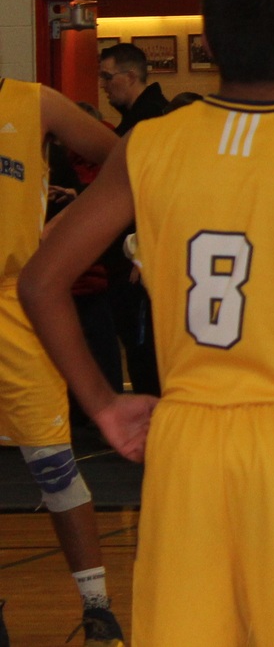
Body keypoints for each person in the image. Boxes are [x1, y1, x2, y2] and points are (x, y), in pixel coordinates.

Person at [18, 0, 274, 647]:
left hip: (188, 442)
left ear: (209, 42)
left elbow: (40, 281)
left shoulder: (148, 144)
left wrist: (105, 404)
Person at [0, 77, 122, 645]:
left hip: (14, 303)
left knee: (53, 464)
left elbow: (128, 158)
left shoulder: (32, 102)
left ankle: (98, 608)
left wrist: (69, 229)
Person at [86, 44, 166, 398]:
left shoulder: (151, 122)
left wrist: (145, 249)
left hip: (139, 263)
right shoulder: (136, 122)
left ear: (130, 77)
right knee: (139, 353)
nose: (103, 85)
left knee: (146, 355)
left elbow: (160, 193)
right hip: (128, 258)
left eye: (107, 77)